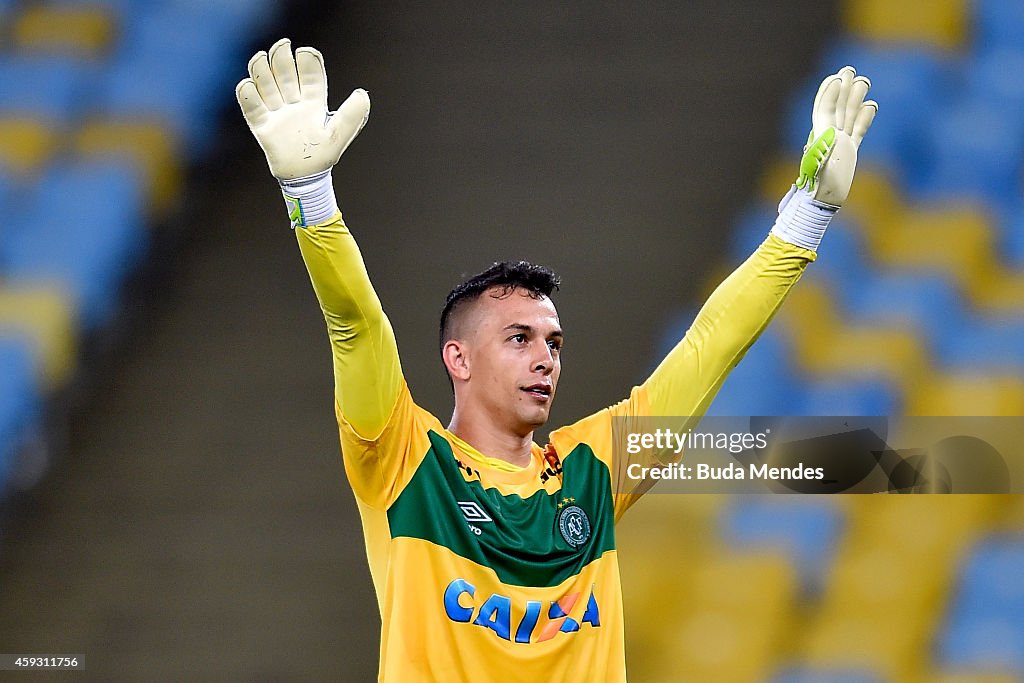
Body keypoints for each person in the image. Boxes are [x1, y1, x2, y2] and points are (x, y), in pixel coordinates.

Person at [236, 38, 876, 682]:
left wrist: (809, 214)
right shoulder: (403, 460)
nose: (545, 357)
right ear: (457, 357)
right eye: (519, 338)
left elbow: (711, 345)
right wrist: (311, 194)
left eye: (554, 342)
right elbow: (355, 325)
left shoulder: (593, 474)